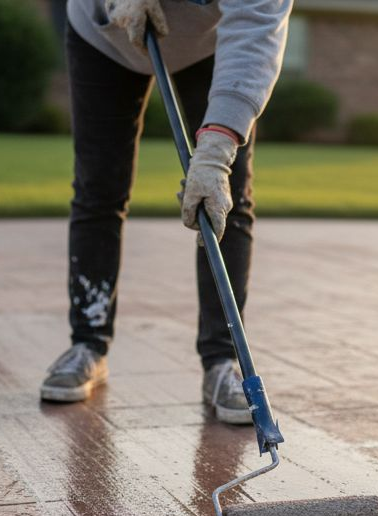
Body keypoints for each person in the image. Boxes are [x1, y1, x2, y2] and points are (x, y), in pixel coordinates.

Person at [39, 0, 291, 424]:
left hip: (210, 43)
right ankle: (88, 343)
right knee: (99, 188)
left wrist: (216, 151)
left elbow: (256, 31)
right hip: (104, 38)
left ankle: (222, 360)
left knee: (226, 196)